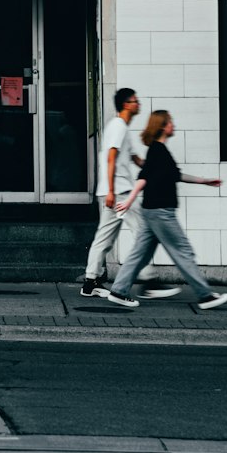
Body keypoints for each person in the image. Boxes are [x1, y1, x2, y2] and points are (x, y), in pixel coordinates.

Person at [106, 110, 227, 311]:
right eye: (170, 121)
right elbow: (143, 178)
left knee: (140, 254)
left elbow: (175, 175)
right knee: (183, 251)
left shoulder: (159, 151)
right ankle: (205, 295)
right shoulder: (158, 150)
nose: (174, 124)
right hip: (161, 212)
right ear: (163, 126)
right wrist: (129, 200)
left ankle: (119, 291)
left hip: (152, 211)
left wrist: (204, 181)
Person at [81, 88, 145, 298]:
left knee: (105, 238)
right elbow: (111, 158)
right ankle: (149, 281)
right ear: (126, 104)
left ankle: (91, 281)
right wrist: (110, 190)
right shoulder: (118, 126)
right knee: (143, 232)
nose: (138, 104)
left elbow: (136, 159)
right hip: (119, 192)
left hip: (116, 190)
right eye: (135, 101)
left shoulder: (122, 128)